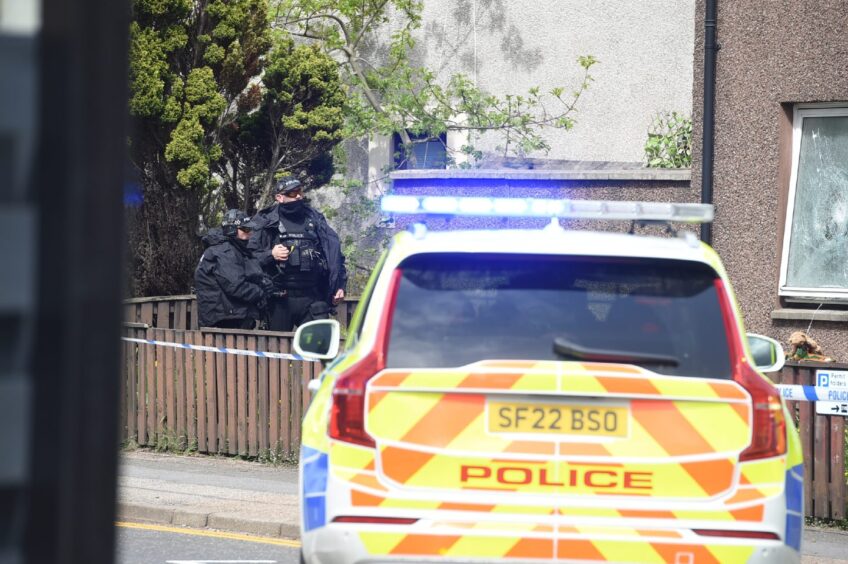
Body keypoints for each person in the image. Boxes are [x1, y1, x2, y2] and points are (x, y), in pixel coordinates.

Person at [249, 178, 347, 332]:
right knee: (277, 352)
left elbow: (334, 253)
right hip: (279, 298)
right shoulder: (265, 221)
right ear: (279, 197)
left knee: (319, 350)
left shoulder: (315, 218)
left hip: (312, 297)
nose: (298, 196)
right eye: (292, 193)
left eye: (299, 191)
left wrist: (339, 285)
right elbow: (248, 258)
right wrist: (271, 254)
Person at [194, 209, 272, 329]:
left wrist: (263, 282)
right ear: (232, 230)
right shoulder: (224, 251)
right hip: (225, 319)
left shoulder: (236, 249)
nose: (249, 233)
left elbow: (250, 271)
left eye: (250, 229)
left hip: (233, 315)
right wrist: (261, 292)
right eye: (245, 229)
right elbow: (236, 286)